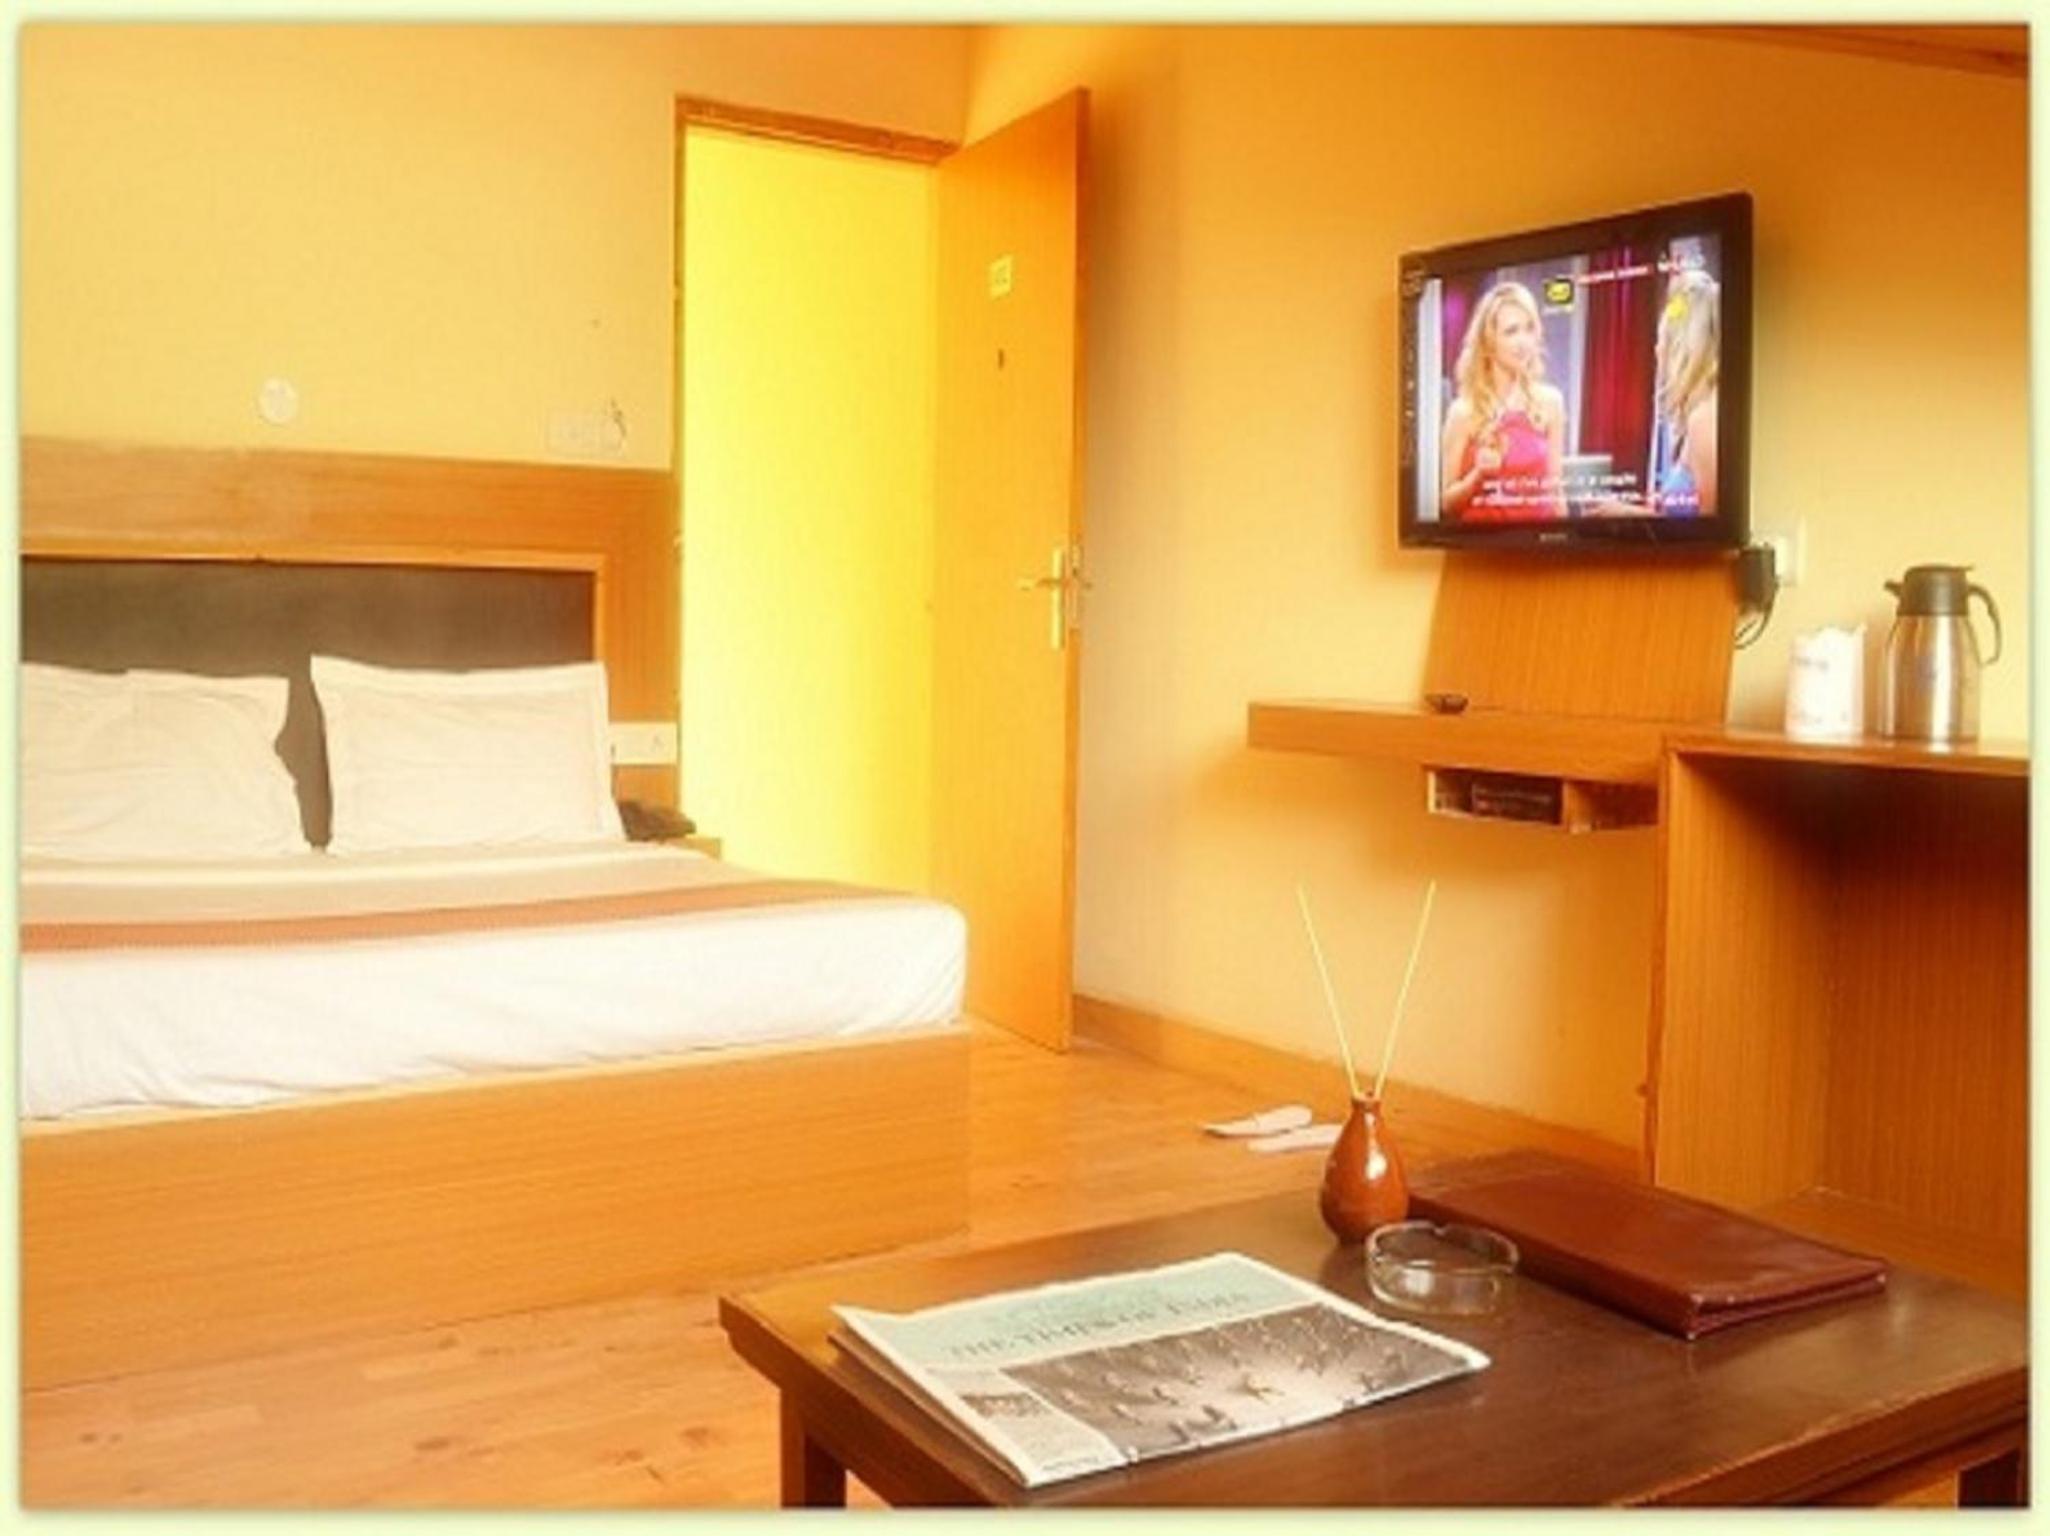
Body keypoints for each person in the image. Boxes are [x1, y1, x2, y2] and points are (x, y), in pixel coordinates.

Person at [1439, 280, 1568, 521]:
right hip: (1482, 542)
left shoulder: (1551, 403)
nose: (1523, 341)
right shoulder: (1463, 412)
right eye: (1511, 331)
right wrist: (1478, 476)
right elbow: (1447, 504)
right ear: (1489, 343)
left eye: (1529, 329)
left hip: (1538, 541)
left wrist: (1569, 540)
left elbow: (1556, 493)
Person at [1651, 267, 1719, 517]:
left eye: (1663, 340)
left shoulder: (1705, 420)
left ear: (1682, 349)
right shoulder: (1701, 415)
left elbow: (1709, 533)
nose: (1657, 350)